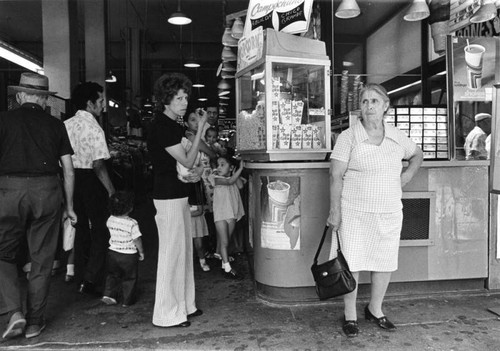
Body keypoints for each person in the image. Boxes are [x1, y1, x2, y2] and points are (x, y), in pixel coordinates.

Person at [327, 83, 423, 337]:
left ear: (386, 107)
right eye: (365, 101)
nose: (369, 106)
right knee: (352, 262)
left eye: (374, 101)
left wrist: (407, 175)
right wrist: (334, 211)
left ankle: (375, 309)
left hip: (389, 210)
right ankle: (350, 314)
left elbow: (417, 155)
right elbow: (335, 176)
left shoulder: (396, 135)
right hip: (354, 212)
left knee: (384, 261)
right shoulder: (348, 137)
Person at [0, 72, 77, 339]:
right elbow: (68, 170)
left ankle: (13, 312)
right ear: (44, 100)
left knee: (2, 254)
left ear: (20, 96)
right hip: (47, 191)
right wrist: (70, 206)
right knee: (41, 259)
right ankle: (34, 322)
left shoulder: (3, 119)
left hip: (9, 191)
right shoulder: (56, 125)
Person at [148, 73, 206, 328]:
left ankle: (185, 305)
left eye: (186, 97)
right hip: (167, 196)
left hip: (178, 193)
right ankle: (166, 313)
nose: (184, 102)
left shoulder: (175, 126)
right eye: (179, 98)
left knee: (183, 251)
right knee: (172, 253)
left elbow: (187, 164)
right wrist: (201, 129)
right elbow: (187, 160)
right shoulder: (161, 125)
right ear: (166, 100)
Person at [64, 82, 115, 295]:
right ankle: (93, 278)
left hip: (71, 180)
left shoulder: (65, 124)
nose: (103, 105)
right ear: (90, 103)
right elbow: (98, 165)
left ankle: (82, 278)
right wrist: (111, 189)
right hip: (92, 181)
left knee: (81, 228)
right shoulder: (94, 127)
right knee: (102, 230)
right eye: (101, 101)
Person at [101, 191, 144, 307]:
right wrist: (141, 251)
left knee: (112, 274)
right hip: (128, 255)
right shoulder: (132, 223)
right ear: (130, 208)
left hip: (113, 253)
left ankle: (109, 295)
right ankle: (127, 300)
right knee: (130, 277)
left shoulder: (110, 220)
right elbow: (137, 239)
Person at [209, 156, 246, 279]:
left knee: (227, 240)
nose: (218, 167)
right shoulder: (215, 178)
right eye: (218, 165)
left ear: (230, 168)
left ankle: (224, 264)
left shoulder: (233, 178)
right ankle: (228, 268)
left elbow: (240, 185)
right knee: (224, 242)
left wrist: (235, 171)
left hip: (231, 214)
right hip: (220, 214)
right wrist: (240, 168)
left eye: (222, 165)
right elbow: (229, 182)